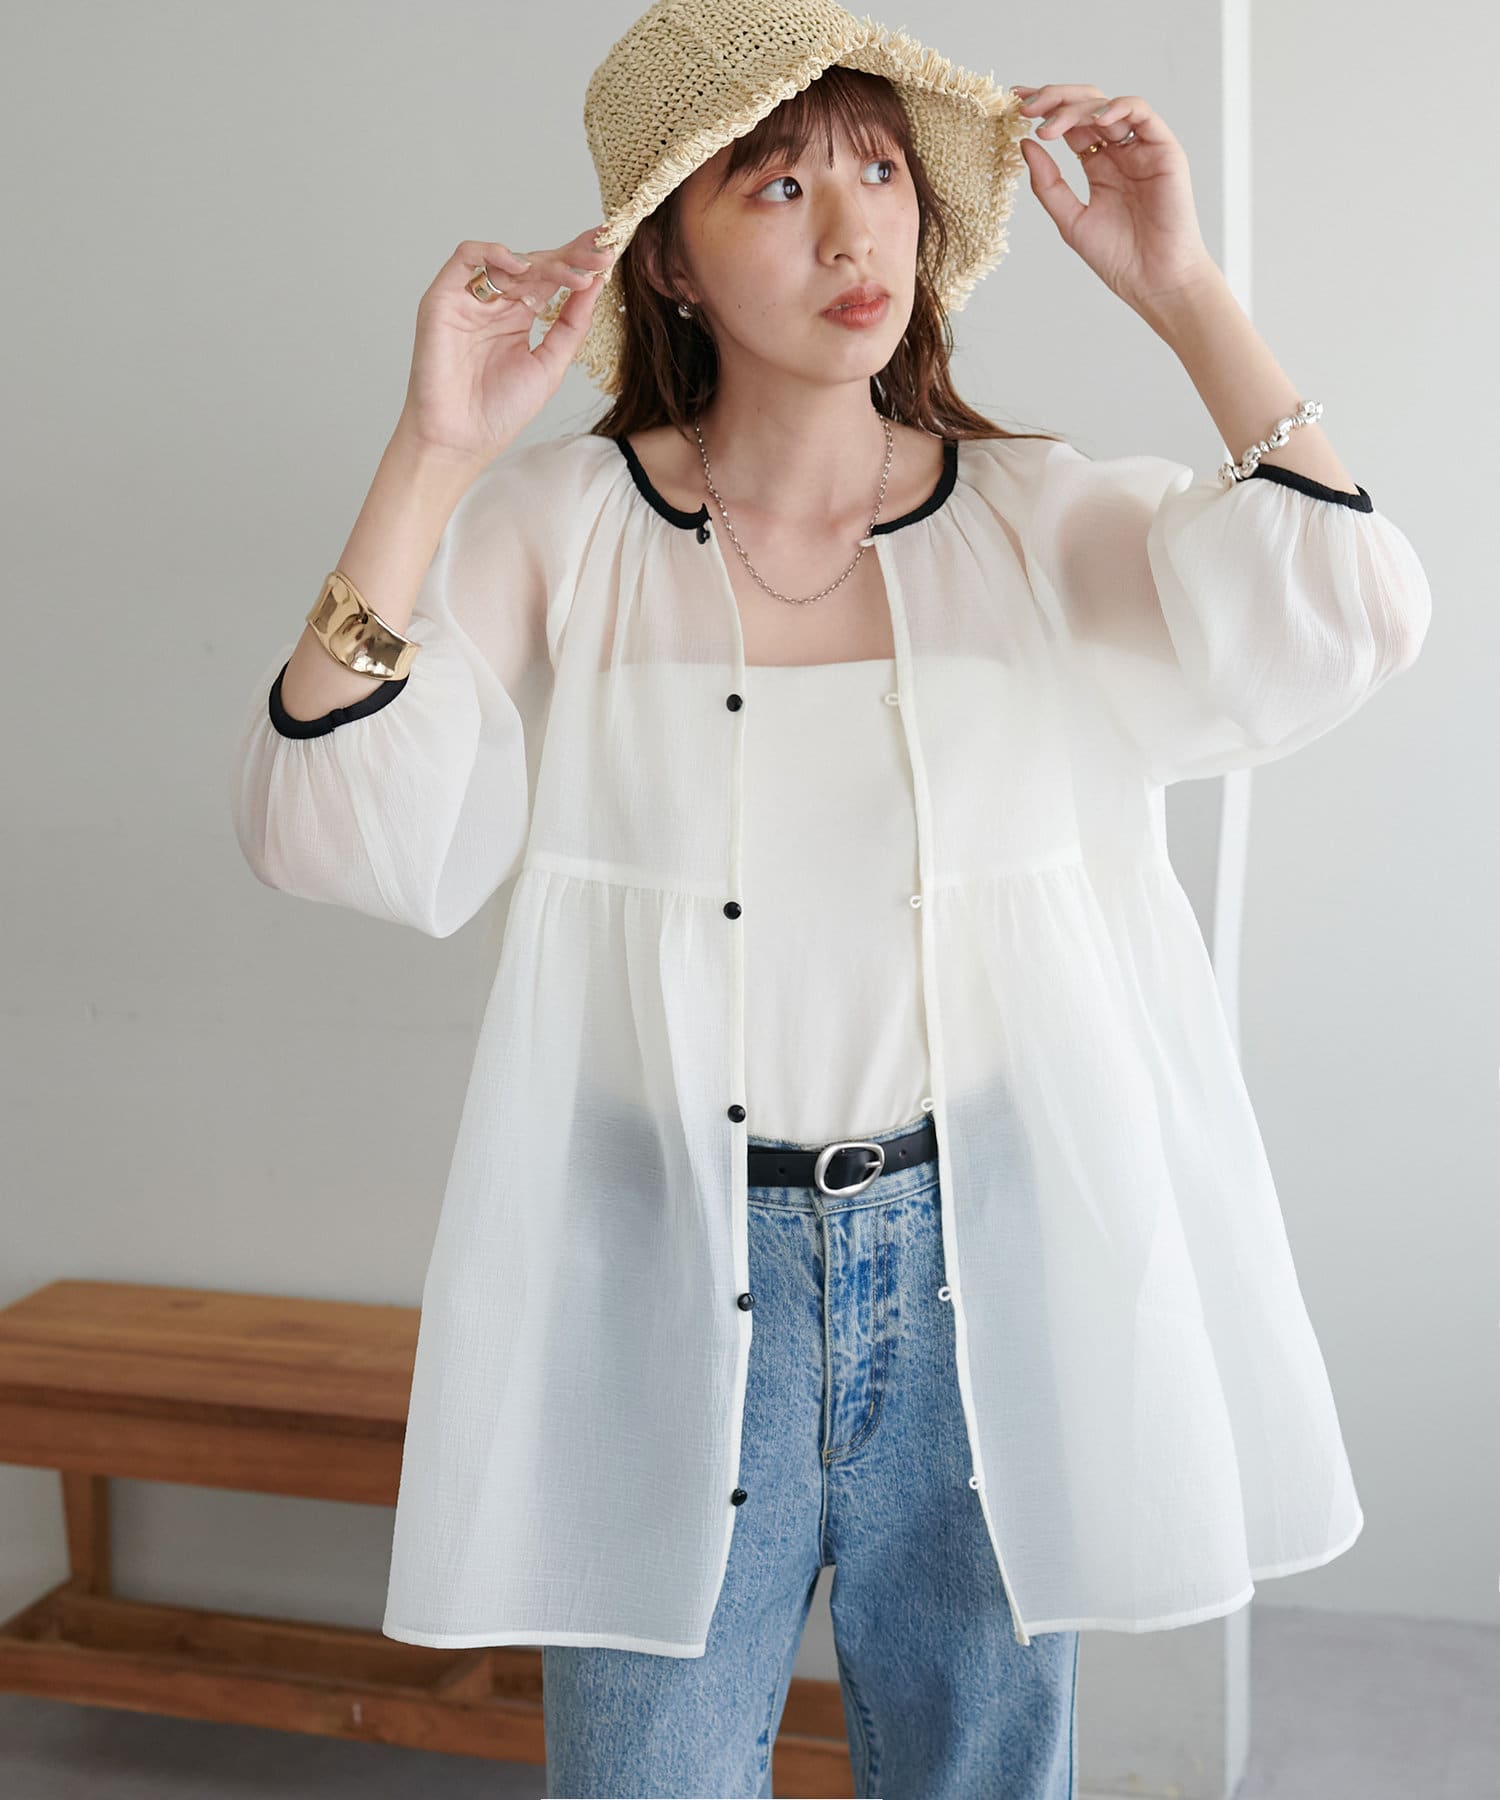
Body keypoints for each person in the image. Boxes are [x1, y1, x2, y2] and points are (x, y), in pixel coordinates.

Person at [228, 4, 1433, 1796]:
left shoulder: (1036, 519)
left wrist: (1182, 290)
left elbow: (1348, 614)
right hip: (658, 1260)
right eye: (778, 185)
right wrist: (431, 453)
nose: (853, 226)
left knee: (980, 1775)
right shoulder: (563, 528)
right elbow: (329, 827)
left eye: (879, 170)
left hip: (983, 1266)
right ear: (670, 260)